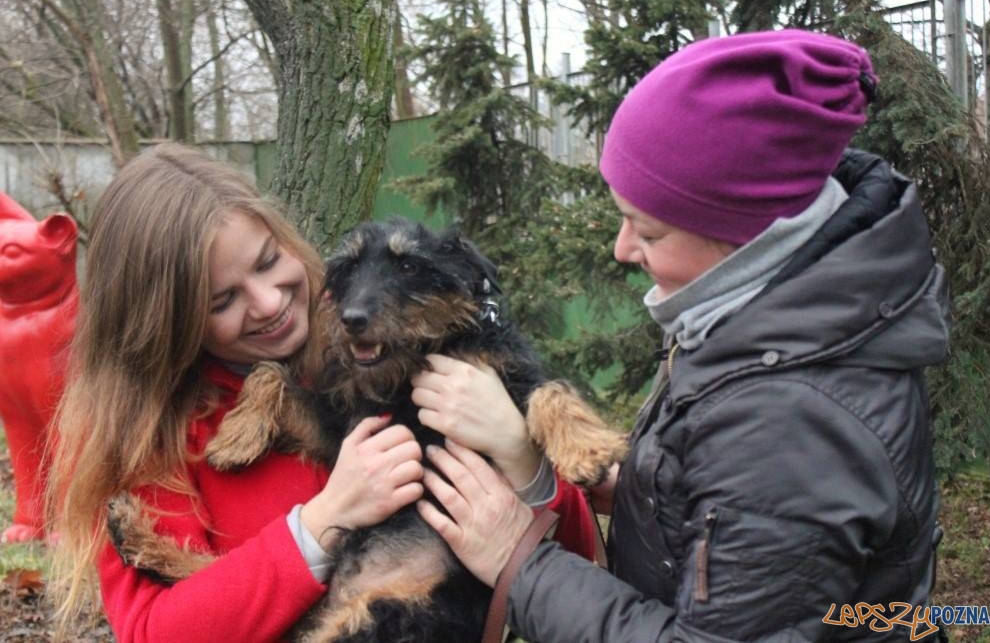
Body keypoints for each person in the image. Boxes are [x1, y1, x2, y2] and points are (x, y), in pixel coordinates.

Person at [412, 29, 951, 642]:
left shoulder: (790, 422)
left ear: (748, 234)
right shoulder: (764, 319)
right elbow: (715, 502)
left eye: (649, 231)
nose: (622, 249)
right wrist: (556, 463)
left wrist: (518, 558)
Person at [45, 143, 595, 642]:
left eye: (268, 262)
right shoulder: (148, 437)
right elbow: (153, 633)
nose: (268, 302)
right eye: (222, 301)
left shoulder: (385, 355)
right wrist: (323, 521)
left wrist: (523, 459)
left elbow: (574, 564)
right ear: (165, 323)